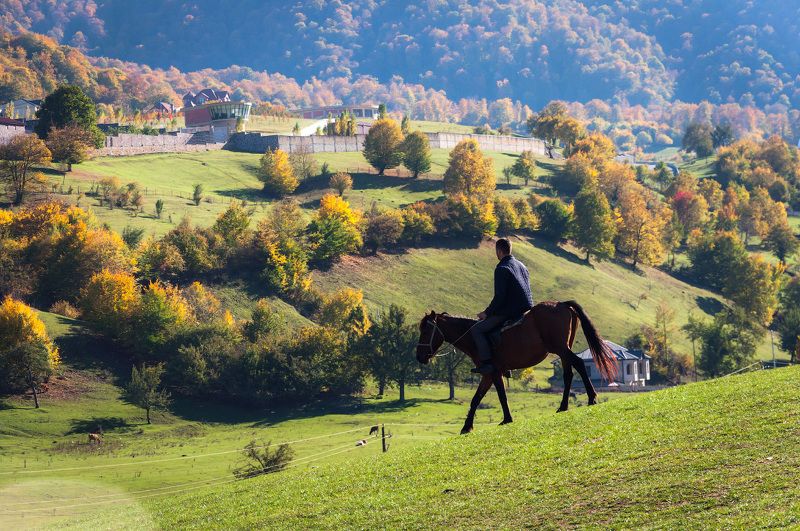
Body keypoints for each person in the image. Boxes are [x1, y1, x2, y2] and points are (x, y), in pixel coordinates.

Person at [471, 238, 533, 375]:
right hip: (527, 308)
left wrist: (486, 313)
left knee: (477, 330)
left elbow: (500, 296)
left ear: (498, 251)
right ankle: (504, 364)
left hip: (510, 310)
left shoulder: (501, 268)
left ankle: (487, 364)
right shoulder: (522, 265)